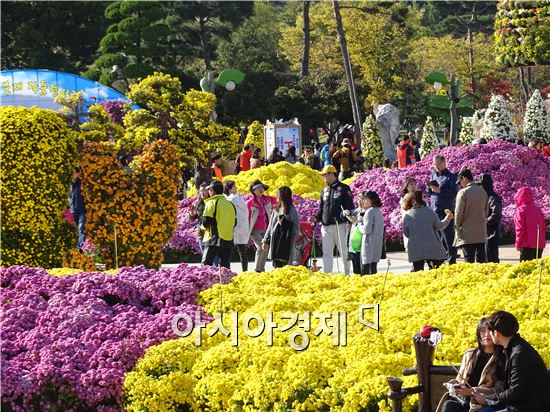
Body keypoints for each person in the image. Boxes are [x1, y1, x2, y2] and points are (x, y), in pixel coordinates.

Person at [471, 311, 548, 412]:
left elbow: (515, 393)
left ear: (496, 333)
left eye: (490, 331)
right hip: (519, 403)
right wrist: (488, 398)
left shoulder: (520, 354)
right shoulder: (512, 349)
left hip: (528, 407)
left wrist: (487, 400)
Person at [436, 317, 505, 412]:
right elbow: (460, 379)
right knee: (448, 405)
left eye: (490, 331)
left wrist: (471, 392)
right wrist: (455, 384)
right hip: (461, 400)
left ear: (496, 333)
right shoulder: (469, 354)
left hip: (481, 403)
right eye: (482, 331)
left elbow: (499, 389)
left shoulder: (502, 358)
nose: (486, 335)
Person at [309, 165, 355, 275]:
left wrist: (347, 215)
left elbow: (350, 207)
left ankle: (346, 273)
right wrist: (316, 217)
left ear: (331, 173)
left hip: (339, 225)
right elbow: (322, 208)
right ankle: (327, 274)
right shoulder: (324, 190)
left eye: (324, 174)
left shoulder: (344, 188)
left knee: (343, 251)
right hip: (325, 226)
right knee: (327, 252)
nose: (323, 177)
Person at [402, 191, 454, 271]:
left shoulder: (408, 215)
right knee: (434, 271)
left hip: (415, 248)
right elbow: (439, 226)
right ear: (421, 199)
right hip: (432, 247)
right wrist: (447, 219)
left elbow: (406, 233)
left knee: (418, 273)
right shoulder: (430, 212)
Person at [454, 168, 489, 263]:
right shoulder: (483, 192)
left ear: (464, 178)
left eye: (460, 181)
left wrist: (457, 228)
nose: (460, 184)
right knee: (481, 262)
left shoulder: (463, 193)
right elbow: (486, 212)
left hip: (467, 233)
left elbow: (458, 214)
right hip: (481, 233)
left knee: (469, 262)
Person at [429, 155, 459, 264]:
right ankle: (441, 259)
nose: (436, 166)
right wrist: (431, 189)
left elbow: (454, 193)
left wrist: (440, 190)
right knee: (438, 237)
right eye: (434, 164)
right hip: (434, 210)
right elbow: (431, 192)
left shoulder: (450, 177)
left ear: (444, 163)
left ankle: (452, 260)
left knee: (448, 237)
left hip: (445, 210)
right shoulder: (433, 175)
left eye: (438, 164)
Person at [262, 186, 300, 268]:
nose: (276, 196)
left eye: (278, 194)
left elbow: (296, 226)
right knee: (276, 263)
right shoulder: (277, 209)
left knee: (284, 264)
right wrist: (265, 240)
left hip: (285, 242)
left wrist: (286, 226)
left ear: (283, 195)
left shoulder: (290, 209)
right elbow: (270, 225)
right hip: (275, 240)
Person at [200, 180, 236, 268]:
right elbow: (235, 223)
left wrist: (201, 228)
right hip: (228, 240)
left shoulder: (211, 203)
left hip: (214, 239)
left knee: (205, 267)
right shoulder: (230, 204)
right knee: (225, 268)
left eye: (209, 190)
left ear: (212, 191)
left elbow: (205, 222)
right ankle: (226, 282)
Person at [247, 180, 274, 272]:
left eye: (262, 188)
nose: (261, 190)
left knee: (265, 248)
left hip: (265, 228)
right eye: (258, 188)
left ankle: (261, 268)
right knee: (261, 247)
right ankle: (257, 269)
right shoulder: (250, 203)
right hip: (255, 229)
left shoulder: (267, 199)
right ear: (253, 191)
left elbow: (279, 200)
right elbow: (247, 216)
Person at [514, 187, 546, 261]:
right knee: (536, 269)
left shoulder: (521, 210)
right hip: (539, 244)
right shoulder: (538, 209)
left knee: (525, 270)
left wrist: (518, 244)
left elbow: (520, 229)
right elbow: (543, 227)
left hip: (527, 245)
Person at [224, 180, 249, 272]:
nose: (236, 188)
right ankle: (244, 271)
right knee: (241, 251)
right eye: (234, 186)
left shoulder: (232, 199)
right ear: (229, 189)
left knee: (229, 252)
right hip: (239, 227)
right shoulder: (234, 199)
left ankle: (227, 271)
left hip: (234, 227)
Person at [476, 174, 502, 263]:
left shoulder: (493, 198)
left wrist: (485, 222)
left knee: (491, 260)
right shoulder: (486, 196)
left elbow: (496, 214)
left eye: (480, 185)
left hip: (491, 234)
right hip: (486, 234)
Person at [358, 190, 384, 275]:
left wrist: (359, 224)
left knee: (365, 272)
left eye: (366, 199)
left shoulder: (369, 211)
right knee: (373, 270)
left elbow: (366, 230)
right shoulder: (378, 211)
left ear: (372, 200)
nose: (363, 201)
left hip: (368, 244)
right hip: (377, 244)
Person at [347, 193, 366, 275]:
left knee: (363, 270)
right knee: (356, 269)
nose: (360, 202)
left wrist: (357, 222)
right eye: (358, 199)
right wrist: (346, 214)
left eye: (362, 199)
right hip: (354, 245)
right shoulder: (355, 211)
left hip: (363, 245)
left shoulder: (369, 212)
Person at [70, 166, 86, 251]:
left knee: (81, 229)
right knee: (74, 230)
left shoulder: (82, 182)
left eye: (75, 173)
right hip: (73, 209)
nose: (73, 175)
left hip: (82, 209)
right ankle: (74, 249)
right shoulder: (73, 182)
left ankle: (80, 249)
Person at [400, 176, 418, 251]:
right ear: (407, 187)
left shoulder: (418, 196)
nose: (413, 186)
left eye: (414, 184)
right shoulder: (405, 197)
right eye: (411, 184)